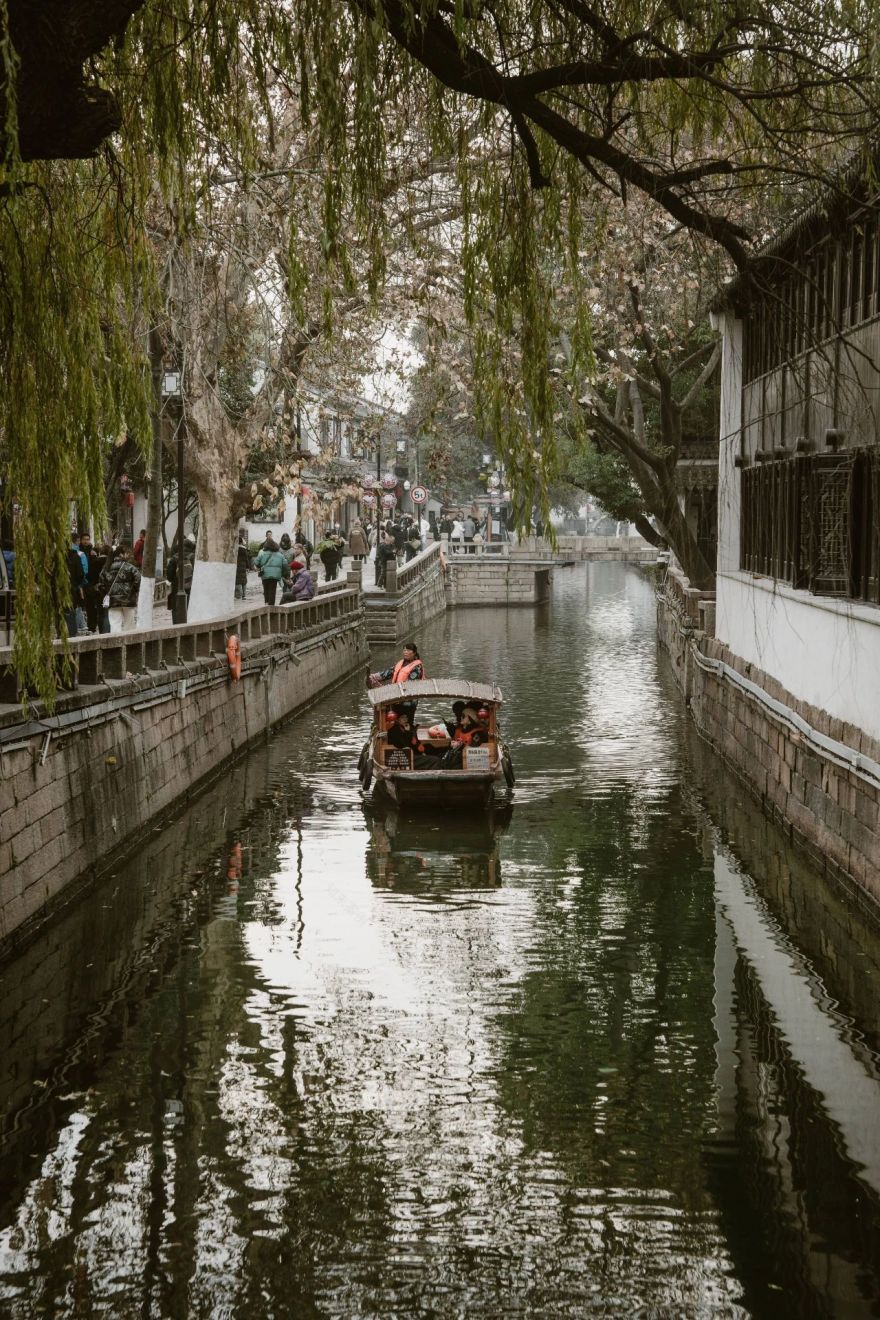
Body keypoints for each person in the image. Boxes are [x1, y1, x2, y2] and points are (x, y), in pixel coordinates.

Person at [96, 541, 141, 633]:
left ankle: (117, 645)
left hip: (113, 601)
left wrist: (106, 594)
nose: (128, 555)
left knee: (115, 624)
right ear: (121, 554)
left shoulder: (106, 568)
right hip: (128, 600)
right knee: (130, 625)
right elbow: (138, 580)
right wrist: (133, 591)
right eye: (126, 553)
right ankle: (130, 645)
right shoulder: (130, 567)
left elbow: (101, 585)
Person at [254, 536, 289, 605]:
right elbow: (285, 565)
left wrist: (260, 567)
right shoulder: (280, 555)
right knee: (272, 590)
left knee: (266, 589)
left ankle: (266, 603)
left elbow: (256, 562)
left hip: (265, 574)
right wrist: (284, 574)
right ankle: (271, 605)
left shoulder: (262, 554)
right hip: (275, 575)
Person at [78, 531, 100, 631]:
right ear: (81, 540)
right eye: (84, 539)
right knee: (83, 604)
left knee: (91, 604)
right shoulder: (78, 551)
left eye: (88, 539)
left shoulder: (93, 551)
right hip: (81, 580)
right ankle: (83, 624)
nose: (86, 541)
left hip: (91, 581)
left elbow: (96, 566)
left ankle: (92, 626)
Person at [235, 531, 252, 600]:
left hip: (236, 566)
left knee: (238, 580)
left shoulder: (235, 549)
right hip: (243, 566)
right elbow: (246, 559)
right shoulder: (244, 549)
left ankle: (238, 595)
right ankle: (244, 595)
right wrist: (248, 567)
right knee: (244, 581)